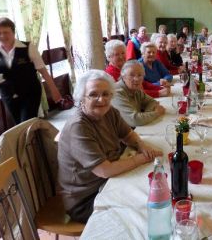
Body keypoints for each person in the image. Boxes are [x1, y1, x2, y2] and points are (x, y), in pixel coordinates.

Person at [58, 70, 162, 223]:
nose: (101, 99)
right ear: (81, 98)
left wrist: (141, 145)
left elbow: (127, 134)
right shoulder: (79, 126)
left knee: (155, 190)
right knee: (143, 210)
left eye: (106, 94)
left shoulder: (109, 112)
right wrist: (142, 158)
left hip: (108, 182)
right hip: (86, 199)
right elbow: (105, 170)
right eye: (93, 94)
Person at [0, 17, 62, 124]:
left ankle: (32, 139)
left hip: (30, 93)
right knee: (19, 124)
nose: (2, 36)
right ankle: (34, 139)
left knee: (26, 123)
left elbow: (43, 70)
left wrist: (54, 89)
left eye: (6, 32)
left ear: (13, 32)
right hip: (8, 95)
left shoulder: (28, 47)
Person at [104, 40, 170, 98]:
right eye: (117, 54)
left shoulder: (126, 67)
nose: (121, 56)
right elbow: (132, 93)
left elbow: (142, 82)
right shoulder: (110, 73)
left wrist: (160, 88)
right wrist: (158, 93)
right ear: (109, 57)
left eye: (123, 53)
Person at [111, 61, 166, 127]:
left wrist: (146, 115)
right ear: (123, 77)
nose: (136, 79)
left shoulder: (136, 89)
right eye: (132, 75)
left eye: (140, 75)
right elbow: (134, 120)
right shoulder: (117, 92)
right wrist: (156, 113)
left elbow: (152, 101)